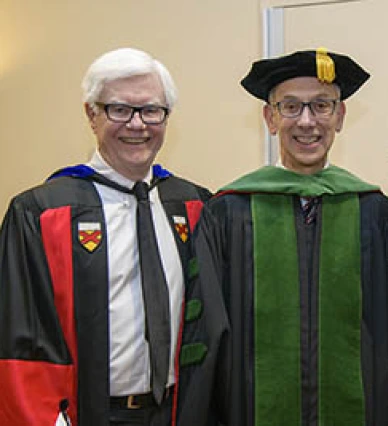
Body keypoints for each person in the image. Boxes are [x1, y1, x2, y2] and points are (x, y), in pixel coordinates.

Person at [0, 47, 228, 426]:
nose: (137, 125)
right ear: (92, 114)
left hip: (179, 411)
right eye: (119, 109)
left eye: (151, 110)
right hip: (88, 413)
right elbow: (21, 338)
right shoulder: (40, 212)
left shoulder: (195, 205)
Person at [207, 48, 388, 426]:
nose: (307, 122)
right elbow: (214, 336)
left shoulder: (373, 211)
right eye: (291, 107)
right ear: (270, 117)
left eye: (321, 106)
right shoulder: (230, 211)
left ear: (340, 116)